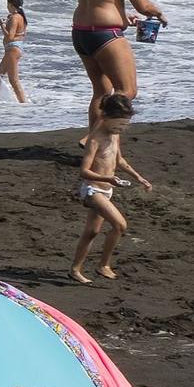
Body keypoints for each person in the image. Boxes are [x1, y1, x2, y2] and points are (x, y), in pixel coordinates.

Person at [72, 0, 166, 141]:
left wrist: (124, 18)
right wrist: (160, 13)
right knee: (127, 90)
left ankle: (95, 147)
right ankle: (93, 139)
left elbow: (100, 1)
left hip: (81, 33)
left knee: (101, 91)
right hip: (106, 36)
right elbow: (144, 6)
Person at [72, 93, 152, 284]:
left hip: (107, 190)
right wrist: (107, 178)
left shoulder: (114, 135)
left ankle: (75, 270)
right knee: (120, 225)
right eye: (118, 124)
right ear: (105, 117)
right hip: (92, 190)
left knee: (92, 232)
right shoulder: (95, 139)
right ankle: (103, 265)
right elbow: (84, 171)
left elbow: (119, 160)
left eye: (125, 125)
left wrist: (139, 177)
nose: (121, 129)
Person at [0, 0, 29, 104]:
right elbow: (22, 34)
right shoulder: (21, 17)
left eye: (7, 4)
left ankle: (24, 103)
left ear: (11, 4)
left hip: (12, 49)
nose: (7, 6)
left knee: (13, 80)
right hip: (14, 49)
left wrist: (2, 26)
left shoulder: (14, 17)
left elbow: (10, 36)